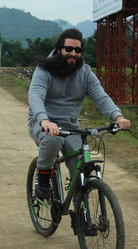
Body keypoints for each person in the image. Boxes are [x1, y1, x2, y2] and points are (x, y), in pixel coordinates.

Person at [28, 28, 131, 199]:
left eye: (78, 50)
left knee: (83, 167)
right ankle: (43, 174)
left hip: (71, 126)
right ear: (59, 49)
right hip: (42, 123)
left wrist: (118, 116)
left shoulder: (85, 73)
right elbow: (35, 95)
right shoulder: (44, 69)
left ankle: (80, 217)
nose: (73, 53)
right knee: (54, 138)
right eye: (69, 49)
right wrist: (44, 120)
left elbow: (101, 96)